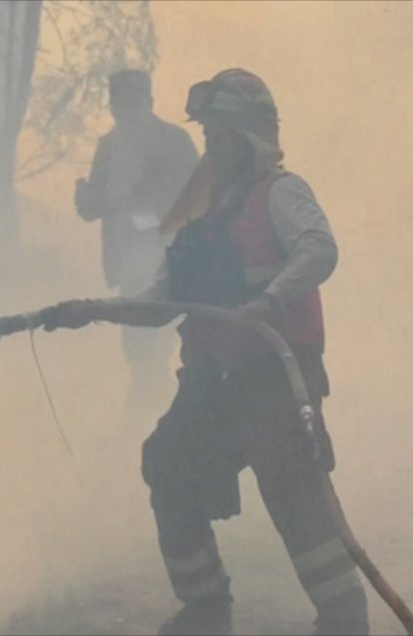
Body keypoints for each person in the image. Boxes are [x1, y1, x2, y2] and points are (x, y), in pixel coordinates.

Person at [42, 69, 367, 636]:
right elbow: (163, 301)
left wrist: (267, 303)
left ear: (250, 140)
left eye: (220, 137)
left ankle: (344, 619)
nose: (210, 149)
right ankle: (206, 610)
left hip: (274, 375)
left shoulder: (282, 193)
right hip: (212, 380)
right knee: (168, 464)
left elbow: (320, 250)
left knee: (293, 492)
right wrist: (90, 309)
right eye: (208, 137)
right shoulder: (197, 213)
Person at [74, 69, 199, 426]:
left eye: (134, 104)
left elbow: (191, 196)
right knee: (136, 350)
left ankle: (154, 418)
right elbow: (92, 207)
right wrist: (87, 199)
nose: (126, 112)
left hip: (171, 263)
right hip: (128, 266)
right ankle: (147, 417)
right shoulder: (107, 147)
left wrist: (128, 201)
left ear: (149, 103)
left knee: (161, 349)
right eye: (120, 105)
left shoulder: (174, 141)